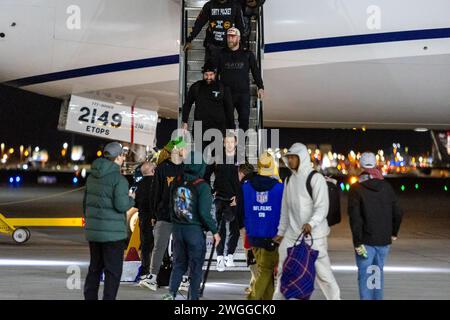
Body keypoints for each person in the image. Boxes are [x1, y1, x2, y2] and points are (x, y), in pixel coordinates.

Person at [273, 143, 341, 300]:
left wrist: (311, 223)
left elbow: (322, 207)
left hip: (314, 237)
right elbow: (285, 209)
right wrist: (281, 232)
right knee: (284, 271)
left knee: (324, 276)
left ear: (301, 158)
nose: (289, 161)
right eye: (288, 157)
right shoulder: (289, 181)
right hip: (292, 234)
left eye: (292, 157)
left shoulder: (315, 178)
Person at [163, 151, 221, 300]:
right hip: (194, 231)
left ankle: (171, 293)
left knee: (178, 264)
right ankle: (193, 298)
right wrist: (214, 231)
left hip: (177, 229)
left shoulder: (176, 181)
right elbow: (204, 212)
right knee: (195, 268)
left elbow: (170, 205)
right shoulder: (202, 186)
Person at [83, 142, 135, 300]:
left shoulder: (92, 177)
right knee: (113, 272)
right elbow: (121, 206)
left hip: (94, 233)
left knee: (94, 269)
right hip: (112, 236)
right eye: (122, 155)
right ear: (118, 157)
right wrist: (131, 199)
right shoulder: (119, 180)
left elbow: (85, 204)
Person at [348, 152, 403, 300]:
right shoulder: (387, 187)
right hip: (384, 241)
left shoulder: (356, 188)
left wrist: (357, 241)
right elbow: (398, 212)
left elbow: (355, 218)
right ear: (376, 165)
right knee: (377, 274)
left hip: (365, 242)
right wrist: (394, 232)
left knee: (365, 276)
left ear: (360, 167)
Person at [145, 138, 187, 291]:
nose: (186, 150)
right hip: (164, 214)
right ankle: (153, 276)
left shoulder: (186, 168)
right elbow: (155, 192)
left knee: (181, 247)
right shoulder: (162, 168)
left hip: (182, 216)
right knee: (159, 246)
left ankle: (183, 278)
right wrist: (154, 214)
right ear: (176, 149)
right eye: (184, 147)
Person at [243, 152, 283, 300]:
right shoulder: (280, 188)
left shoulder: (246, 187)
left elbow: (242, 211)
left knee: (265, 270)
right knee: (266, 270)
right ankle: (252, 299)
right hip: (271, 237)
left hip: (253, 236)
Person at [215, 27, 264, 132]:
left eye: (232, 37)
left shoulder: (247, 54)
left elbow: (255, 71)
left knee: (244, 121)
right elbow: (215, 73)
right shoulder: (221, 54)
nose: (230, 39)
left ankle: (241, 147)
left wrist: (260, 87)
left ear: (238, 38)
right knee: (228, 122)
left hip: (243, 94)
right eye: (228, 37)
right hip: (227, 93)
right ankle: (229, 147)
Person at [182, 63, 235, 154]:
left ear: (215, 74)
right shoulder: (196, 87)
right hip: (199, 127)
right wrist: (185, 121)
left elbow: (229, 109)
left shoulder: (223, 88)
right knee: (201, 155)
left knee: (216, 156)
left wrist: (231, 128)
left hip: (218, 127)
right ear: (203, 74)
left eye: (211, 75)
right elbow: (187, 104)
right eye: (206, 75)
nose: (208, 77)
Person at [213, 133, 241, 271]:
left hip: (234, 198)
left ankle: (230, 255)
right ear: (224, 144)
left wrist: (238, 196)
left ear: (235, 143)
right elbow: (210, 173)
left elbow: (242, 178)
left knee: (234, 229)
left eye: (232, 142)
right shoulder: (218, 158)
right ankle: (219, 258)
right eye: (227, 142)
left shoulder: (240, 159)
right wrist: (212, 189)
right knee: (220, 228)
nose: (229, 144)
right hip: (220, 197)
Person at [135, 162, 157, 289]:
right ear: (153, 171)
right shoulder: (157, 183)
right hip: (156, 217)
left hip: (144, 217)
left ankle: (144, 271)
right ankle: (156, 272)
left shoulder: (139, 185)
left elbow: (136, 202)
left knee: (145, 245)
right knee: (158, 246)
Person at [237, 163, 256, 294]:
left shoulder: (243, 187)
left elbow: (241, 208)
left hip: (247, 227)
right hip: (260, 226)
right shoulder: (256, 185)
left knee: (250, 255)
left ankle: (256, 285)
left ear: (242, 173)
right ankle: (254, 283)